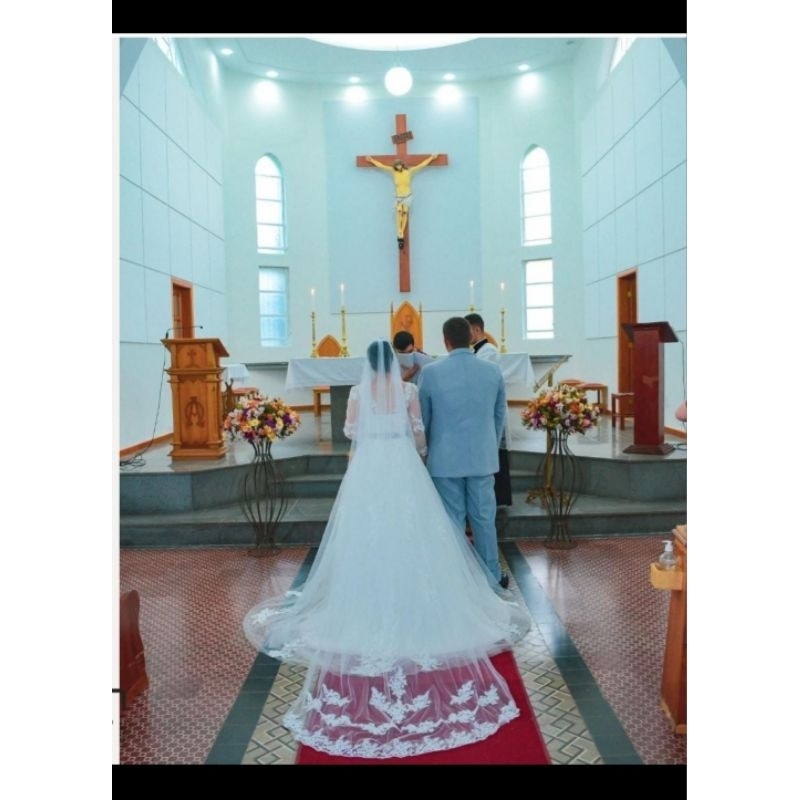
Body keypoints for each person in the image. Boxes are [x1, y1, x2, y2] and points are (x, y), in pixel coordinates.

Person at [242, 339, 530, 759]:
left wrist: (371, 437)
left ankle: (366, 599)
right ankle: (417, 601)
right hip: (402, 464)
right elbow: (418, 435)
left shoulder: (358, 393)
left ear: (367, 364)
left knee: (366, 536)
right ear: (394, 364)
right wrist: (416, 454)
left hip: (368, 468)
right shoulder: (408, 390)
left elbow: (350, 433)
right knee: (415, 534)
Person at [418, 318, 510, 588]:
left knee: (452, 520)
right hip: (482, 457)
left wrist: (427, 450)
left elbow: (424, 418)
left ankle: (454, 581)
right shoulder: (492, 371)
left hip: (444, 459)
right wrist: (489, 445)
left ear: (446, 341)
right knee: (484, 519)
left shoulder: (431, 373)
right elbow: (499, 415)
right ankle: (492, 576)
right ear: (471, 337)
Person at [464, 314, 513, 507]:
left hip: (491, 409)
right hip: (484, 409)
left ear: (476, 330)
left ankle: (500, 500)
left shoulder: (488, 351)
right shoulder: (479, 351)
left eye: (468, 331)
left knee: (496, 455)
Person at [365, 154, 438, 248]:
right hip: (399, 197)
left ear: (402, 165)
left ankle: (401, 232)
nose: (398, 166)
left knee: (405, 212)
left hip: (407, 196)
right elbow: (381, 166)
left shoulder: (409, 172)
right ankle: (400, 233)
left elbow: (421, 165)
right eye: (396, 165)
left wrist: (431, 158)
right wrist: (371, 160)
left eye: (399, 165)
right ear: (395, 166)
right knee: (399, 212)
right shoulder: (393, 172)